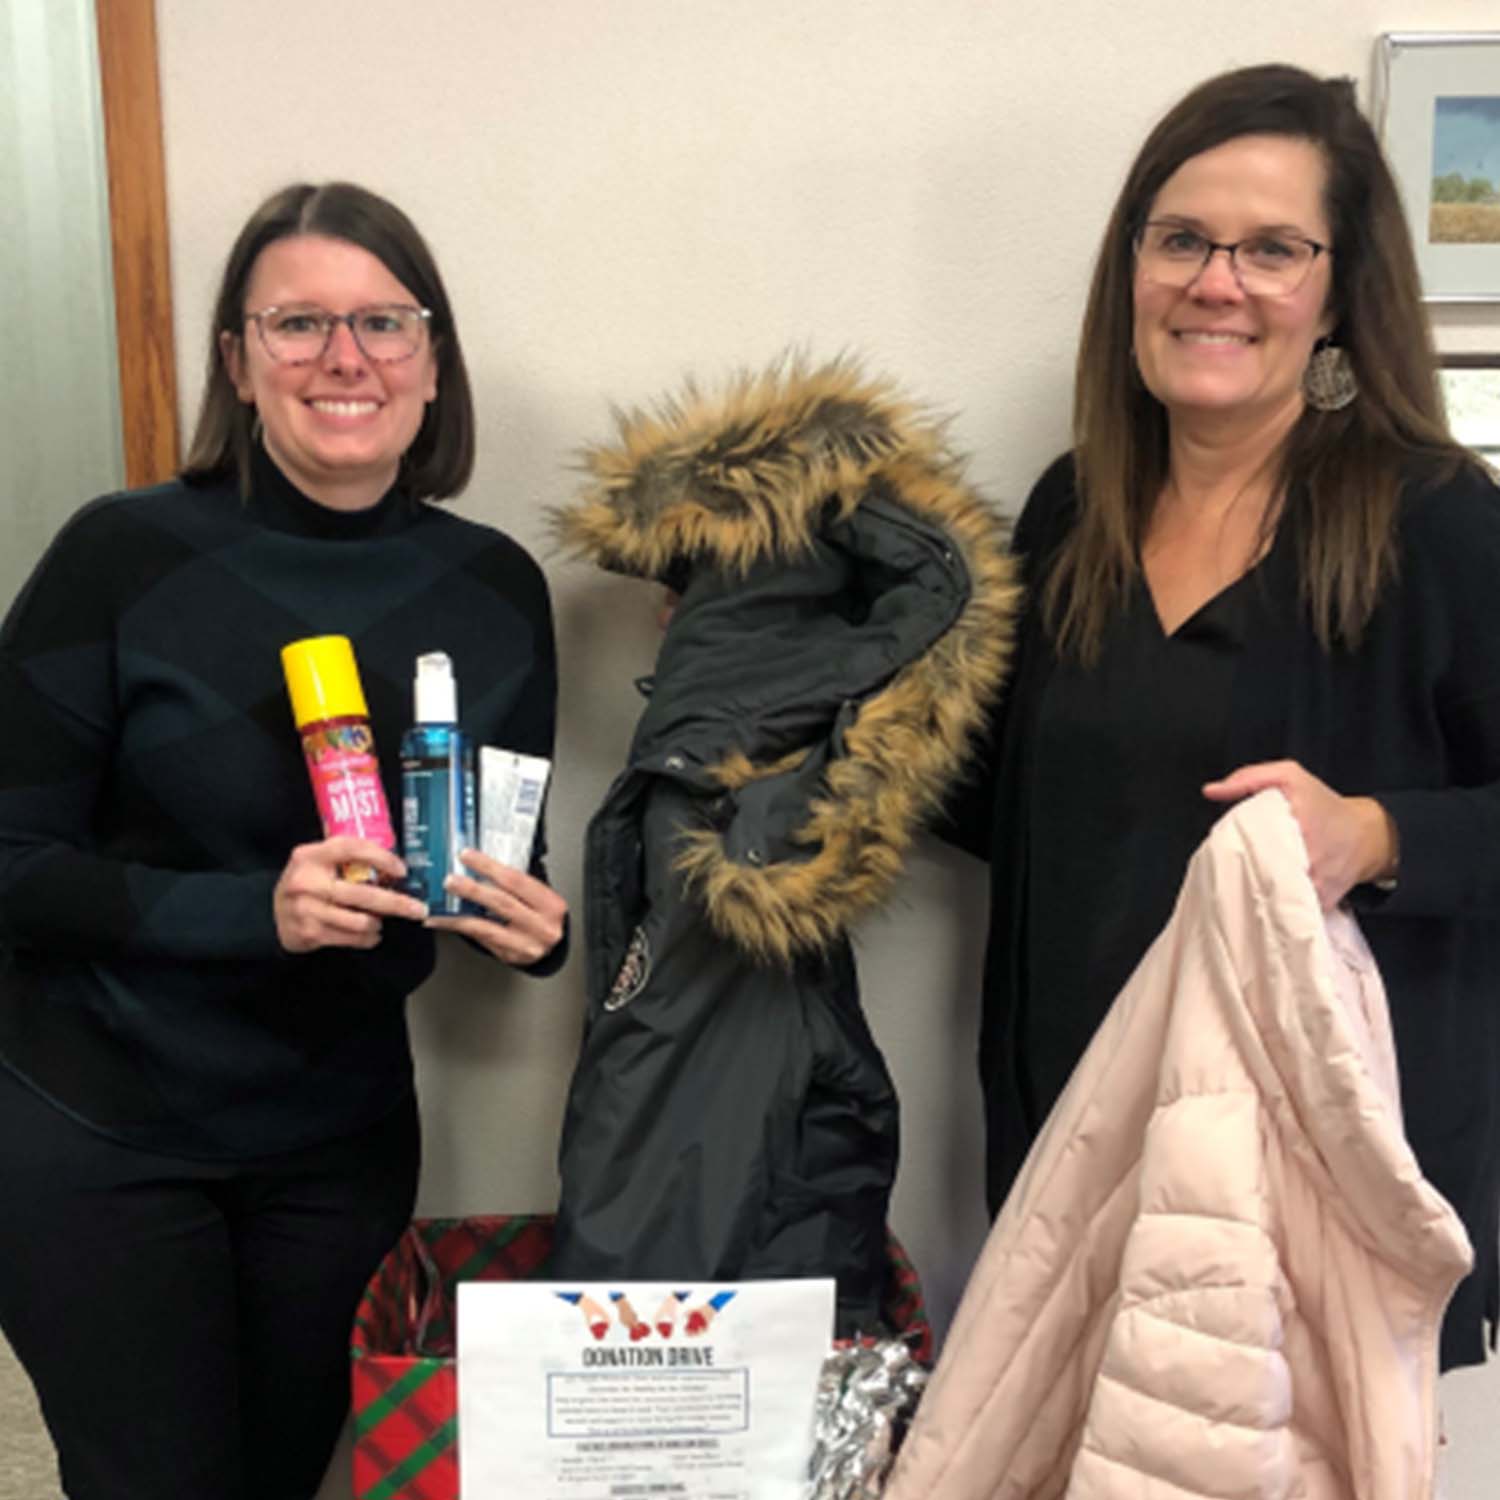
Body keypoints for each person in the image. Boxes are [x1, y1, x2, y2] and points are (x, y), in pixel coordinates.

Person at [0, 182, 567, 1499]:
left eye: (382, 320)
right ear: (237, 363)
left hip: (339, 1137)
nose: (344, 357)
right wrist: (254, 909)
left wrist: (532, 928)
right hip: (101, 1128)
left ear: (434, 359)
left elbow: (497, 852)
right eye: (298, 323)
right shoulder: (120, 555)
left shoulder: (496, 588)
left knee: (290, 1476)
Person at [952, 64, 1500, 1372]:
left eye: (1273, 249)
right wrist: (798, 678)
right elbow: (1010, 811)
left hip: (1311, 1210)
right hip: (1081, 1179)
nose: (1218, 281)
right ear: (1132, 266)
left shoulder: (1436, 525)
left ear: (1336, 294)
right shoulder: (1069, 512)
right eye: (1183, 239)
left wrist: (1373, 832)